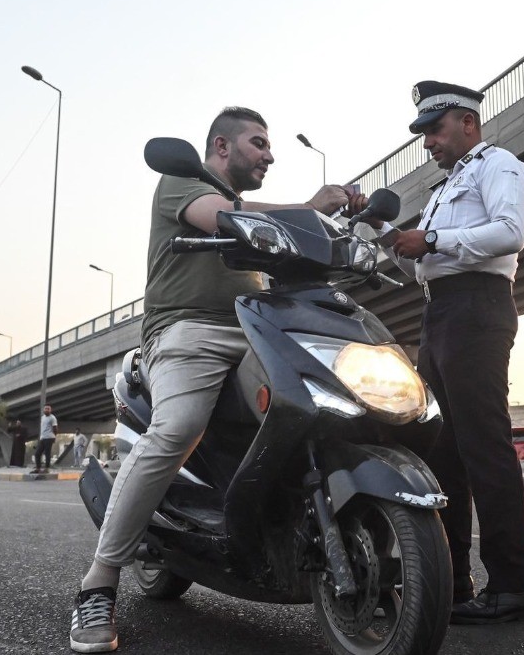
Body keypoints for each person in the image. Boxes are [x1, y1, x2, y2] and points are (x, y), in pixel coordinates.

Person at [69, 106, 365, 653]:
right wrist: (310, 204)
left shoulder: (246, 207)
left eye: (269, 145)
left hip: (258, 329)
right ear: (222, 148)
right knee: (178, 427)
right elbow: (227, 214)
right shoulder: (183, 181)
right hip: (187, 332)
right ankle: (99, 581)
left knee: (327, 405)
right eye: (258, 143)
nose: (269, 154)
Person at [370, 81, 524, 625]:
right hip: (438, 312)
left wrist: (433, 241)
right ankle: (455, 582)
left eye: (434, 131)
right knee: (440, 454)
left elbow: (510, 233)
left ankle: (512, 586)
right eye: (422, 135)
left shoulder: (500, 166)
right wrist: (389, 236)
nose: (427, 144)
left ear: (467, 122)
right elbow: (420, 266)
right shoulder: (444, 190)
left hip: (478, 309)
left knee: (483, 447)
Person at [33, 404, 58, 474]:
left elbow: (55, 429)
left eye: (48, 409)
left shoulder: (52, 418)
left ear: (50, 410)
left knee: (47, 453)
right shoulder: (43, 417)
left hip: (49, 438)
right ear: (43, 410)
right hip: (43, 438)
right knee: (37, 453)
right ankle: (38, 468)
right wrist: (41, 437)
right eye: (45, 409)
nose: (47, 410)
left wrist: (54, 436)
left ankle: (47, 469)